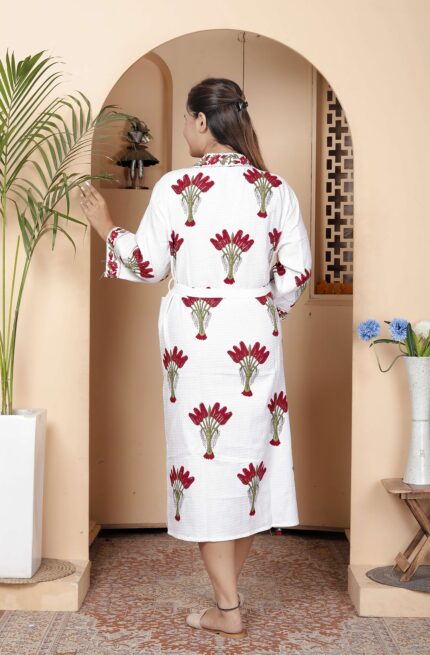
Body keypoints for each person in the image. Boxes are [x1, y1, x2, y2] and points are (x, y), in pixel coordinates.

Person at [80, 77, 312, 640]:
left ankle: (228, 608)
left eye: (186, 119)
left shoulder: (175, 187)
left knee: (204, 465)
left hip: (195, 344)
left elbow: (150, 264)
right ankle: (228, 598)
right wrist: (260, 308)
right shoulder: (275, 188)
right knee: (249, 461)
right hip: (254, 335)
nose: (184, 128)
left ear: (202, 121)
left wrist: (107, 227)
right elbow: (296, 272)